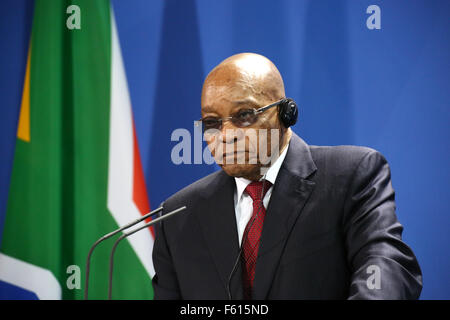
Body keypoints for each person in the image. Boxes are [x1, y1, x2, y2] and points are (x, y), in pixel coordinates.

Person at [152, 53, 422, 299]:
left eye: (244, 115)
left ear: (285, 114)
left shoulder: (350, 176)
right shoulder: (177, 215)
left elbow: (387, 266)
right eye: (212, 122)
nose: (226, 136)